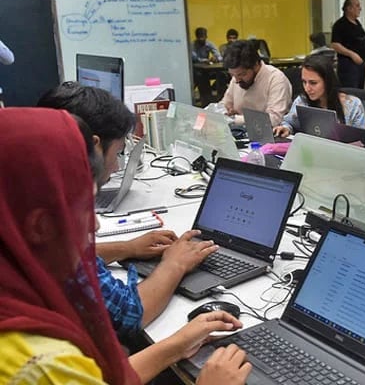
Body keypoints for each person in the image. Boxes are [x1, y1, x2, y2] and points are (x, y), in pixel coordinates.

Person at [0, 107, 251, 384]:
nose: (94, 226)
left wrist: (176, 345)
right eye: (85, 207)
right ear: (41, 226)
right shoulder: (41, 366)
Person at [37, 82, 219, 339]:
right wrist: (174, 264)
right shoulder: (48, 212)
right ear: (93, 147)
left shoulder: (27, 187)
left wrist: (127, 248)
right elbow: (128, 313)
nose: (114, 168)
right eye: (118, 153)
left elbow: (67, 256)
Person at [273, 54, 365, 137]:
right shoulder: (302, 101)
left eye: (313, 83)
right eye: (304, 82)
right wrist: (286, 128)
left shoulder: (352, 105)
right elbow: (289, 122)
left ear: (327, 81)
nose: (307, 88)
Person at [221, 40, 292, 126]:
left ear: (255, 65)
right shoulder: (237, 78)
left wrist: (235, 119)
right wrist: (224, 112)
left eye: (242, 74)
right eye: (232, 75)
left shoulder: (276, 79)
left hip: (268, 135)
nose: (236, 80)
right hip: (240, 131)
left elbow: (274, 119)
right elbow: (224, 105)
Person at [331, 0, 365, 89]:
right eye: (357, 6)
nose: (360, 8)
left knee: (360, 91)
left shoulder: (357, 23)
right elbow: (335, 45)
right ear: (349, 8)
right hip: (348, 66)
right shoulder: (340, 25)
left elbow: (362, 43)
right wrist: (352, 54)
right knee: (351, 91)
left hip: (360, 65)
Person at [192, 27, 223, 106]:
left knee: (222, 74)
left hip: (207, 69)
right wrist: (204, 60)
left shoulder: (209, 44)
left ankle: (219, 98)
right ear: (197, 37)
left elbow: (218, 55)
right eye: (200, 37)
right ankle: (206, 100)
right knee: (201, 76)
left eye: (204, 37)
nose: (202, 39)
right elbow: (194, 58)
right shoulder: (193, 45)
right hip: (195, 69)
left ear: (206, 36)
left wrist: (217, 58)